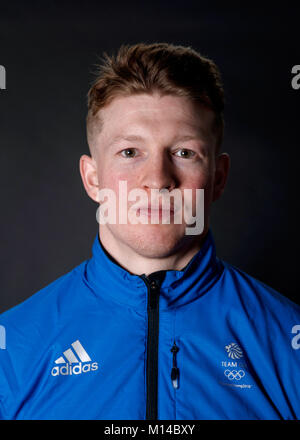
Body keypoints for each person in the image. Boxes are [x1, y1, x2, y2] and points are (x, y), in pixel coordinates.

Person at [0, 42, 299, 421]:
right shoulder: (11, 349)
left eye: (184, 153)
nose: (157, 180)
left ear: (218, 178)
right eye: (130, 152)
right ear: (93, 179)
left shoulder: (288, 342)